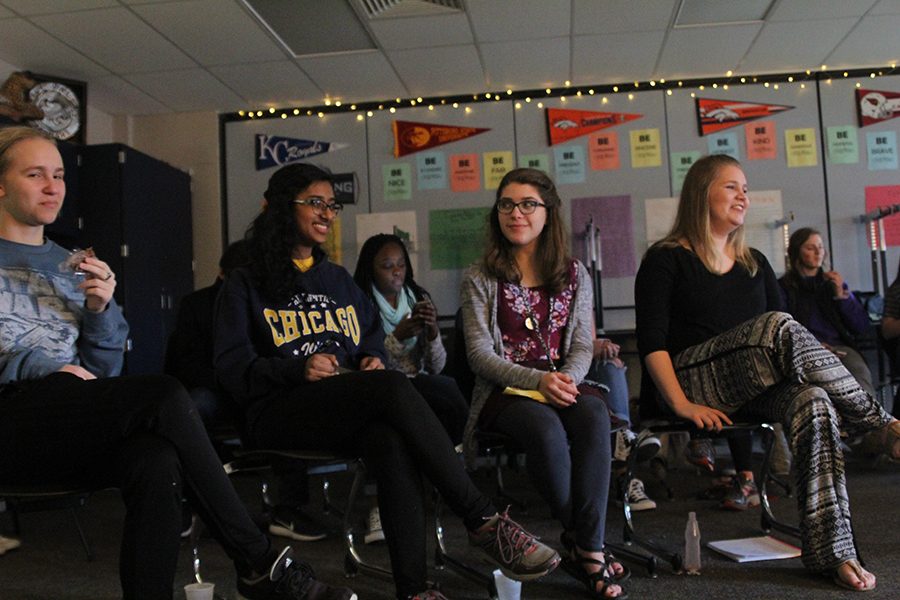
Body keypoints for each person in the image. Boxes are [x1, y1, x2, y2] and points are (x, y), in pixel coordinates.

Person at [0, 126, 355, 600]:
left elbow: (102, 373)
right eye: (35, 174)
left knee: (156, 457)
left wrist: (101, 312)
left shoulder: (73, 264)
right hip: (10, 419)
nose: (52, 186)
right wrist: (39, 369)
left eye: (59, 174)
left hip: (67, 419)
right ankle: (257, 559)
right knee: (165, 393)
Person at [213, 162, 560, 600]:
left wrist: (372, 359)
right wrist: (294, 368)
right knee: (397, 388)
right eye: (315, 203)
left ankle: (413, 591)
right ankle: (482, 519)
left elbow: (369, 340)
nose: (326, 214)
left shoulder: (337, 279)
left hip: (342, 404)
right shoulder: (246, 282)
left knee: (389, 440)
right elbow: (231, 369)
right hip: (279, 409)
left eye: (331, 205)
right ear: (283, 208)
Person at [634, 153, 899, 592]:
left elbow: (783, 342)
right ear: (702, 193)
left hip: (750, 385)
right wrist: (679, 402)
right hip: (691, 381)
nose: (744, 196)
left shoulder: (753, 261)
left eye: (745, 188)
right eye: (731, 186)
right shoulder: (666, 259)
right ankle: (880, 424)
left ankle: (834, 549)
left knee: (812, 402)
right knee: (777, 326)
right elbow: (652, 342)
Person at [460, 168, 628, 599]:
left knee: (593, 412)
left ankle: (583, 545)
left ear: (548, 213)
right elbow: (480, 356)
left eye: (528, 204)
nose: (516, 213)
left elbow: (581, 345)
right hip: (507, 391)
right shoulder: (480, 277)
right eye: (507, 204)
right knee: (545, 427)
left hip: (562, 383)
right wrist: (540, 381)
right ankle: (589, 547)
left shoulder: (573, 275)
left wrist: (566, 380)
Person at [165, 240, 326, 543]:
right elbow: (184, 363)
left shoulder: (263, 301)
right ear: (225, 275)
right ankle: (190, 499)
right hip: (215, 386)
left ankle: (288, 508)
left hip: (255, 385)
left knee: (286, 408)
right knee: (193, 408)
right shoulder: (198, 305)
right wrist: (233, 378)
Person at [353, 233, 469, 544]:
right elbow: (366, 363)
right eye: (387, 266)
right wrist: (398, 336)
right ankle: (383, 505)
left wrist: (431, 334)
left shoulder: (417, 297)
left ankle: (449, 473)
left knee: (446, 389)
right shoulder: (360, 305)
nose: (396, 272)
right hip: (381, 386)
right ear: (370, 270)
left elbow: (438, 364)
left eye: (401, 265)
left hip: (419, 382)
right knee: (394, 424)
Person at [779, 227, 875, 396]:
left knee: (858, 371)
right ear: (796, 252)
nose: (818, 252)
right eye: (810, 248)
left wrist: (842, 297)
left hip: (840, 347)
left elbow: (860, 326)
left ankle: (871, 420)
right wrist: (813, 346)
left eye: (821, 247)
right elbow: (783, 327)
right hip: (805, 350)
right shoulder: (785, 287)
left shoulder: (832, 283)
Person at [589, 337, 660, 512]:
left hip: (577, 358)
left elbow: (587, 336)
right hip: (549, 367)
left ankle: (621, 435)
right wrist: (588, 349)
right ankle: (624, 444)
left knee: (610, 364)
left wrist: (601, 346)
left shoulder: (578, 307)